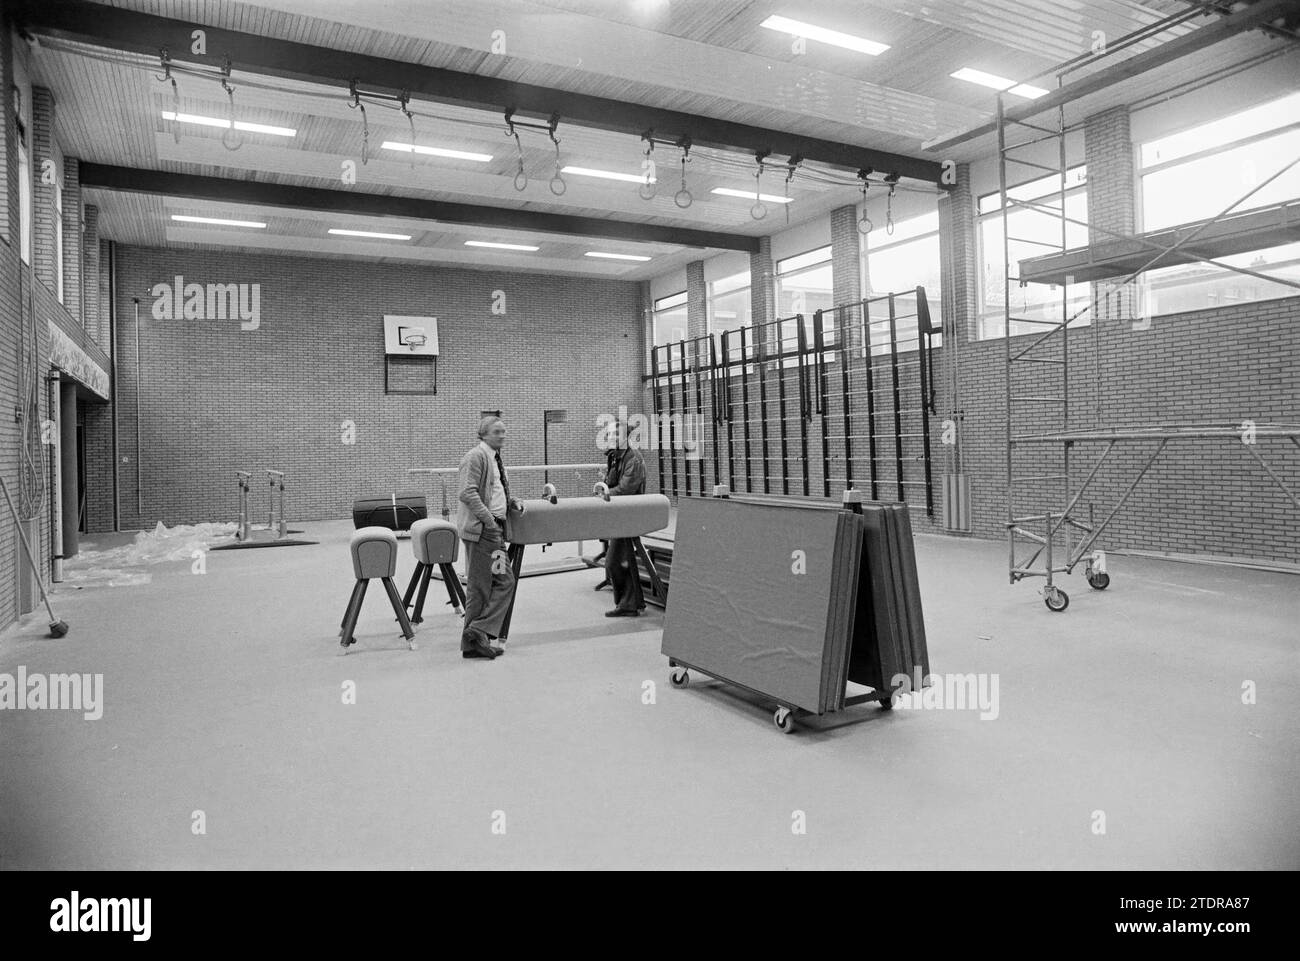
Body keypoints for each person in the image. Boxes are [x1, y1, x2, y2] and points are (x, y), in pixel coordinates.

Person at [455, 417, 522, 659]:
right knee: (497, 583)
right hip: (484, 532)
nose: (503, 435)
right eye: (497, 431)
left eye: (504, 431)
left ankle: (473, 642)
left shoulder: (494, 458)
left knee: (489, 585)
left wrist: (511, 501)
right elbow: (467, 492)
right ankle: (476, 631)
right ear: (483, 434)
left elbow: (492, 491)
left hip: (492, 529)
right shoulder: (476, 457)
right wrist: (489, 520)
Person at [601, 429, 647, 617]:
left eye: (615, 435)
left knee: (614, 562)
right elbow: (611, 482)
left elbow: (625, 489)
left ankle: (630, 604)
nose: (611, 438)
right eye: (609, 435)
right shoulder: (615, 457)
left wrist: (605, 493)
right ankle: (633, 603)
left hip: (630, 514)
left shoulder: (633, 458)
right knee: (620, 560)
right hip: (620, 514)